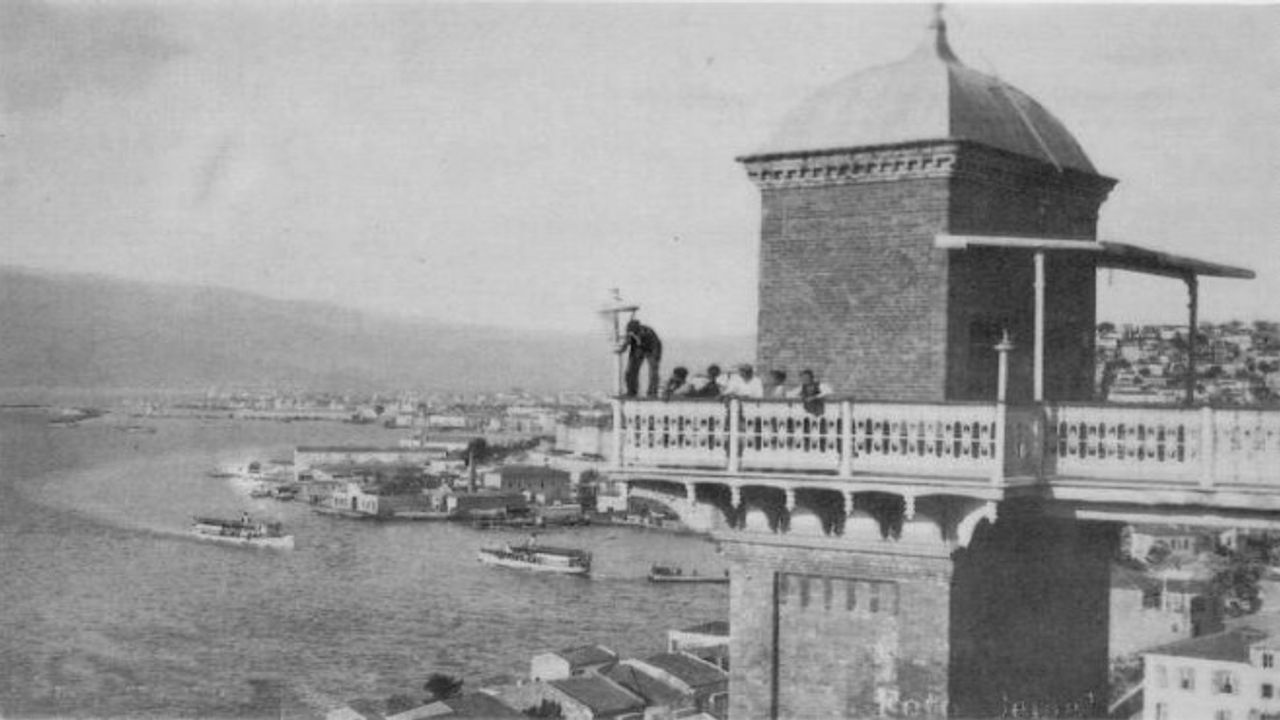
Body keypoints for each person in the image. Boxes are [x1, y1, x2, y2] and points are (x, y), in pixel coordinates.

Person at [616, 319, 662, 398]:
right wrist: (621, 349)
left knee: (653, 371)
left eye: (633, 332)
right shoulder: (630, 332)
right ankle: (631, 391)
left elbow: (640, 342)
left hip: (653, 347)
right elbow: (626, 344)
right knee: (630, 369)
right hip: (639, 348)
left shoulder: (646, 332)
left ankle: (652, 392)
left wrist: (635, 336)